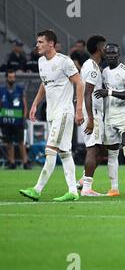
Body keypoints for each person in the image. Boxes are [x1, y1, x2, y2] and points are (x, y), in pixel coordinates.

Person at [19, 29, 84, 201]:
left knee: (50, 149)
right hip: (52, 114)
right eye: (37, 42)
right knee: (64, 152)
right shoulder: (41, 62)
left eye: (40, 42)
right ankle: (73, 191)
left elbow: (79, 83)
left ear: (51, 44)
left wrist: (78, 110)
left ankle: (37, 189)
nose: (37, 45)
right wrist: (34, 104)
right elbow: (44, 84)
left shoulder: (64, 61)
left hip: (64, 112)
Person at [95, 43, 125, 197]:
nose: (111, 56)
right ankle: (114, 188)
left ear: (118, 54)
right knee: (112, 154)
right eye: (108, 53)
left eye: (114, 53)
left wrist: (110, 92)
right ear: (104, 55)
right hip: (110, 117)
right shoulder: (104, 72)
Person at [78, 35, 106, 196]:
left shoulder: (90, 65)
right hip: (93, 113)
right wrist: (90, 118)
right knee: (92, 149)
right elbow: (88, 93)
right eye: (104, 46)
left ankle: (83, 181)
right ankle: (87, 188)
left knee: (101, 151)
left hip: (95, 113)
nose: (106, 49)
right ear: (98, 48)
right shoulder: (93, 69)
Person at [0, 70, 31, 169]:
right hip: (5, 120)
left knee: (21, 142)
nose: (12, 79)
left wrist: (24, 117)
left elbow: (24, 104)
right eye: (10, 77)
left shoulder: (19, 89)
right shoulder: (1, 90)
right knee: (8, 143)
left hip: (18, 121)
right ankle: (12, 162)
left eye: (13, 77)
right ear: (6, 78)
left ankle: (25, 162)